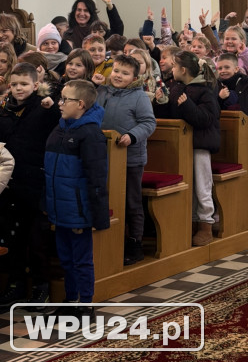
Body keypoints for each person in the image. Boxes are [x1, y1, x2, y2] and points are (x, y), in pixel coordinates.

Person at [44, 79, 109, 316]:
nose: (60, 103)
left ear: (80, 104)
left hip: (78, 209)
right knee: (65, 258)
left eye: (65, 99)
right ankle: (70, 300)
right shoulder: (60, 127)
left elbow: (97, 178)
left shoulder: (91, 134)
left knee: (81, 260)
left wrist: (98, 217)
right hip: (59, 206)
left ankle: (86, 303)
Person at [0, 63, 60, 308]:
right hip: (9, 183)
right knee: (12, 238)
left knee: (37, 239)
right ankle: (14, 285)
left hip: (36, 181)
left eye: (23, 84)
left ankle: (40, 288)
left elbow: (59, 120)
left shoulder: (44, 108)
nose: (18, 89)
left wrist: (52, 106)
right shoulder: (5, 110)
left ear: (35, 85)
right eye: (14, 84)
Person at [98, 54, 156, 265]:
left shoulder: (138, 96)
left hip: (130, 157)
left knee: (131, 201)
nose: (118, 75)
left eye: (124, 73)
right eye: (116, 71)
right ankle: (111, 241)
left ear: (134, 77)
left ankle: (134, 243)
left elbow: (149, 123)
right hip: (103, 156)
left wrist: (131, 136)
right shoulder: (102, 91)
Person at [170, 51, 220, 246]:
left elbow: (205, 119)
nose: (172, 69)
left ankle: (205, 224)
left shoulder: (205, 91)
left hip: (200, 144)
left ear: (183, 70)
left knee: (202, 185)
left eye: (174, 66)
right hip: (181, 144)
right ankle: (188, 222)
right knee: (188, 184)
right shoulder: (177, 88)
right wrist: (162, 102)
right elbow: (172, 116)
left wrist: (187, 105)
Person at [216, 53, 248, 223]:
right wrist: (220, 99)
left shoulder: (247, 84)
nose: (223, 71)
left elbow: (246, 108)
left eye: (227, 67)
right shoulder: (215, 85)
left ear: (236, 68)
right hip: (226, 136)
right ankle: (229, 206)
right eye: (220, 68)